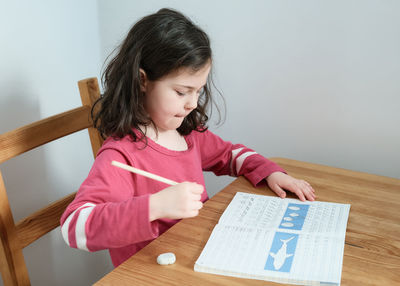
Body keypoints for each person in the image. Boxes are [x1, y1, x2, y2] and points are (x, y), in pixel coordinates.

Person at [60, 8, 315, 267]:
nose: (192, 103)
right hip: (151, 274)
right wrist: (154, 207)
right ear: (142, 81)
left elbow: (230, 155)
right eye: (182, 92)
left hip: (197, 257)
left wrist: (271, 172)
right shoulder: (121, 154)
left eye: (198, 91)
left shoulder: (187, 134)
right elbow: (74, 226)